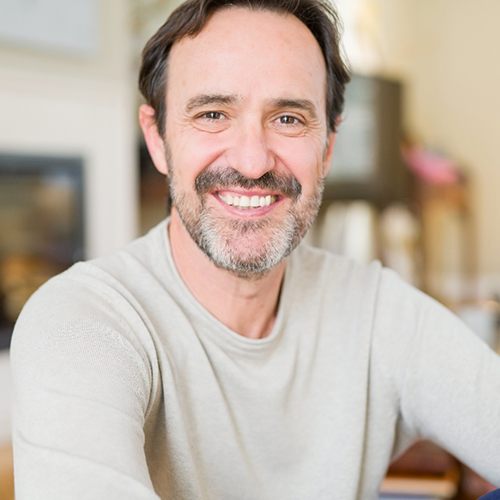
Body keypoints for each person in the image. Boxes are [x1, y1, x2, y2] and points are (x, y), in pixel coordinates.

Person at [10, 0, 500, 498]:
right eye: (213, 114)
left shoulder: (378, 312)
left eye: (288, 118)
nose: (251, 161)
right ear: (157, 139)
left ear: (328, 148)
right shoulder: (82, 322)